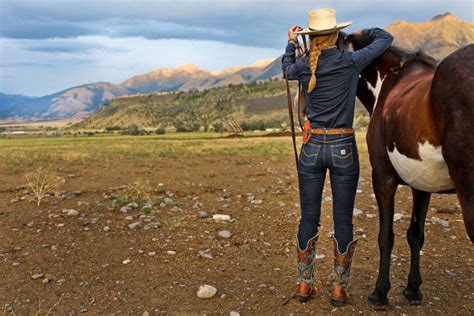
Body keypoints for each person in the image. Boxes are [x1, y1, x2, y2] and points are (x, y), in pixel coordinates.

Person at [281, 8, 393, 305]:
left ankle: (305, 285)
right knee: (343, 219)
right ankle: (339, 289)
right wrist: (361, 34)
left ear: (311, 37)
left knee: (308, 217)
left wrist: (292, 42)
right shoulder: (350, 60)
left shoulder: (304, 65)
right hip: (343, 146)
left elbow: (286, 69)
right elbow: (386, 38)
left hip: (312, 146)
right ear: (335, 35)